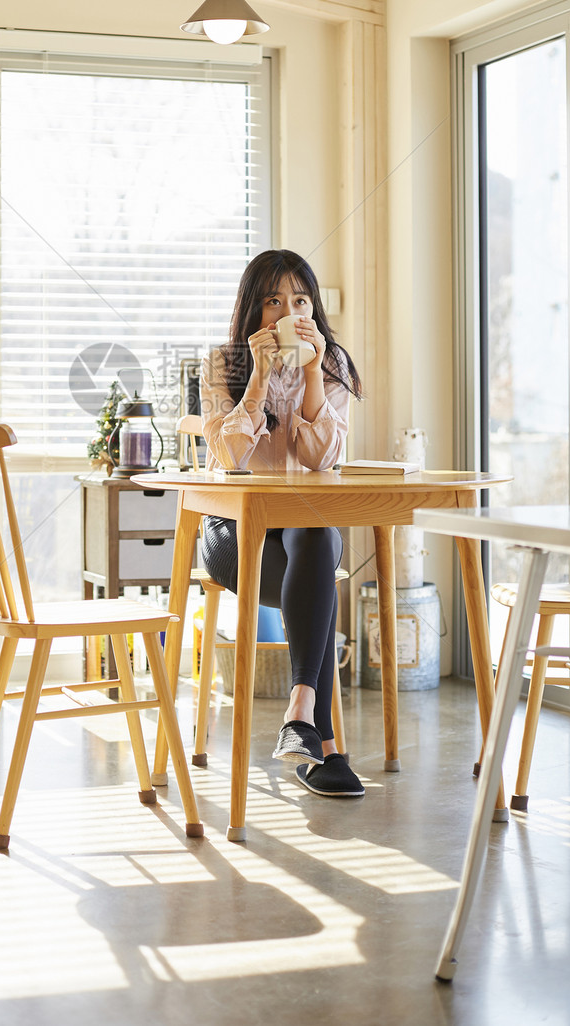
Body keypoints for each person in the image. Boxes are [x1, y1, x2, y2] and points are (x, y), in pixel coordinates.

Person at [199, 248, 365, 797]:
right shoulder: (223, 365)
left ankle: (299, 710)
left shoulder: (332, 364)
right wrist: (261, 379)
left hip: (303, 535)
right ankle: (325, 744)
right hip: (233, 536)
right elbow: (230, 459)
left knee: (315, 533)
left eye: (300, 300)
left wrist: (313, 370)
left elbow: (321, 462)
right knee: (318, 570)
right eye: (274, 301)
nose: (287, 312)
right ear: (253, 310)